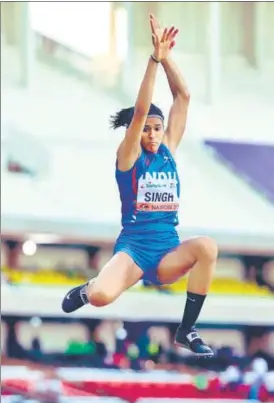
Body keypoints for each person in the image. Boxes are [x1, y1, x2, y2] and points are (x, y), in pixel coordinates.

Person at [62, 14, 218, 357]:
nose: (151, 134)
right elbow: (142, 109)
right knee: (103, 297)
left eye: (156, 128)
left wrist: (166, 57)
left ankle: (186, 330)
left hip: (167, 251)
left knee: (207, 247)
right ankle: (87, 289)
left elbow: (184, 95)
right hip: (134, 249)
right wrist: (152, 60)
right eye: (146, 128)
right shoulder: (129, 156)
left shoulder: (169, 150)